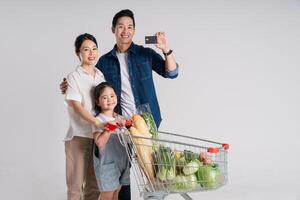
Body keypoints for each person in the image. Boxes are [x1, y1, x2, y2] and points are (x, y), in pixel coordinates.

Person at [60, 9, 179, 200]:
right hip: (119, 126)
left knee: (153, 172)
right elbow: (91, 83)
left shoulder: (145, 54)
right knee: (121, 175)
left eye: (130, 27)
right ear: (113, 29)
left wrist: (166, 50)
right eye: (121, 26)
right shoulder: (104, 62)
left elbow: (172, 73)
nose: (125, 31)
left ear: (134, 30)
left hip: (145, 124)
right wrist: (67, 84)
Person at [64, 33, 106, 200]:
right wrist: (96, 121)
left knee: (94, 186)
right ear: (78, 53)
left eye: (94, 49)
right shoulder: (74, 77)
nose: (91, 53)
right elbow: (76, 106)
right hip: (79, 136)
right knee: (75, 187)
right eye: (86, 49)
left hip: (97, 137)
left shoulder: (100, 75)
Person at [92, 82, 130, 200]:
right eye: (104, 97)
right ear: (98, 102)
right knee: (108, 194)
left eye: (112, 96)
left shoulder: (120, 118)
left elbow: (128, 139)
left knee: (116, 192)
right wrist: (110, 128)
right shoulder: (98, 120)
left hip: (122, 161)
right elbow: (99, 143)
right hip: (107, 164)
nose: (109, 99)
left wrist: (128, 126)